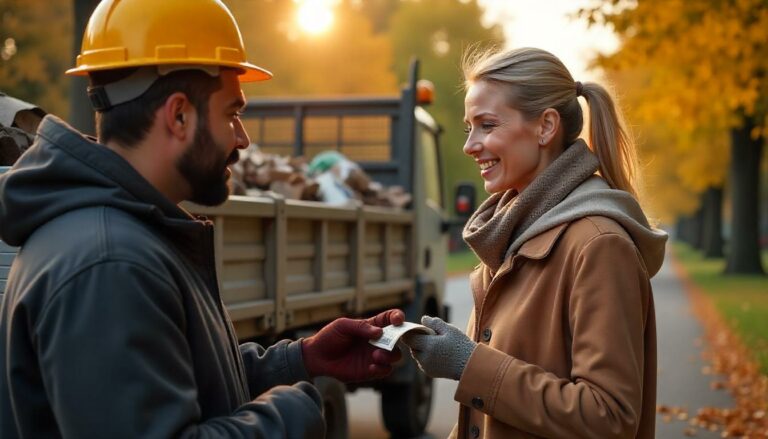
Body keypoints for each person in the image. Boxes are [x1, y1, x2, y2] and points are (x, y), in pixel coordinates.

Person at [0, 1, 403, 437]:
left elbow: (179, 383)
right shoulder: (110, 265)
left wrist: (300, 361)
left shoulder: (124, 237)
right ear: (179, 115)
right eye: (232, 113)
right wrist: (294, 414)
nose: (243, 139)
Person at [402, 47, 668, 439]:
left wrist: (468, 364)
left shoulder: (599, 246)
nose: (469, 145)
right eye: (468, 127)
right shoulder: (510, 235)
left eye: (487, 125)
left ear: (546, 127)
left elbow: (609, 417)